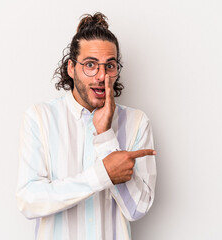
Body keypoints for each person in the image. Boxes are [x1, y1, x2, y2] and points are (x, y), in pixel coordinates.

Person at [16, 12, 157, 240]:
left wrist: (105, 137)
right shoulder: (40, 118)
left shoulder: (137, 123)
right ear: (71, 68)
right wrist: (102, 175)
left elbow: (137, 209)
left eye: (109, 66)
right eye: (90, 64)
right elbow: (29, 200)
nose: (102, 76)